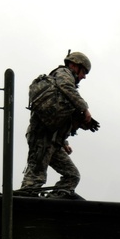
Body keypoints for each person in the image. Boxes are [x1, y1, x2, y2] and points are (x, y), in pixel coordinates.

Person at [18, 51, 99, 199]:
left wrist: (64, 142)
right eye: (84, 72)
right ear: (74, 65)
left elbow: (59, 120)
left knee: (72, 175)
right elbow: (66, 86)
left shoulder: (65, 89)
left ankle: (56, 199)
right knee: (36, 178)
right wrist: (84, 109)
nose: (84, 76)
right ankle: (22, 205)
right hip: (41, 136)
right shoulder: (63, 73)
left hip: (54, 141)